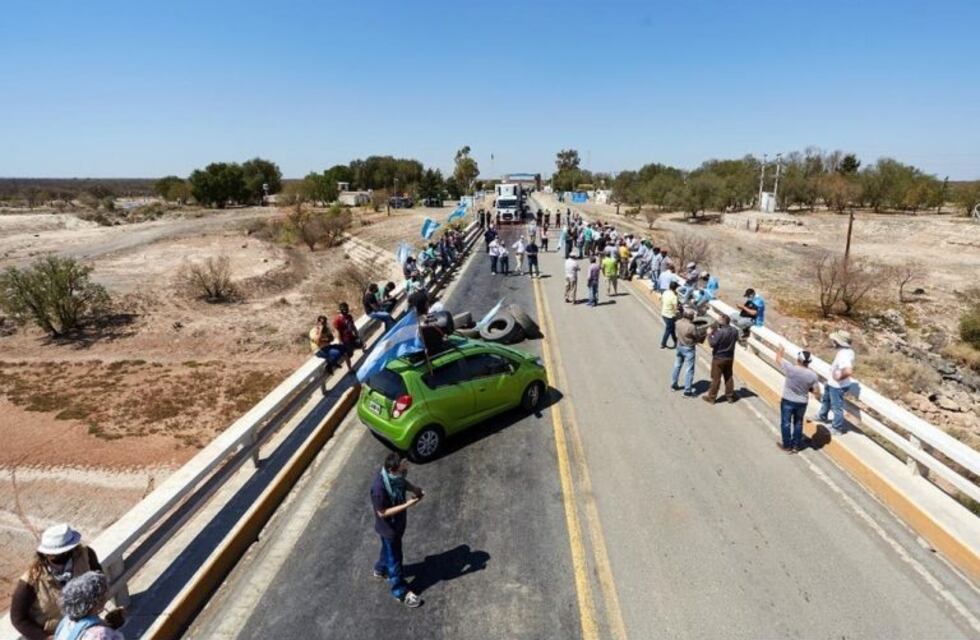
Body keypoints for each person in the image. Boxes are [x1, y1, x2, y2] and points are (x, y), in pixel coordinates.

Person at [10, 524, 103, 640]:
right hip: (52, 634)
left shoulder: (86, 555)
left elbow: (99, 584)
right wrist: (46, 638)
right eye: (53, 556)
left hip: (85, 627)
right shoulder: (30, 582)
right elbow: (18, 619)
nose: (58, 558)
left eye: (63, 553)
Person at [371, 453, 424, 608]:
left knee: (387, 550)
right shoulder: (379, 489)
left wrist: (414, 488)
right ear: (393, 470)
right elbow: (383, 512)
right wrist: (408, 504)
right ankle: (400, 592)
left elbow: (402, 482)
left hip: (397, 525)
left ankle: (380, 569)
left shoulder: (395, 476)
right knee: (395, 560)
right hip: (389, 529)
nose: (405, 470)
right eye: (403, 468)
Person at [775, 344, 821, 452]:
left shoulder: (790, 368)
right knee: (798, 423)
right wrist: (808, 389)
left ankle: (787, 445)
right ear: (809, 362)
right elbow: (816, 392)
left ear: (798, 359)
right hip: (802, 403)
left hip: (787, 400)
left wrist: (781, 350)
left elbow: (778, 359)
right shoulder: (813, 376)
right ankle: (796, 445)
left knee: (786, 423)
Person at [54, 571, 124, 640]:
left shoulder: (65, 623)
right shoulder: (101, 634)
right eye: (103, 595)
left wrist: (106, 624)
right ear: (97, 601)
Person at [817, 330, 856, 435]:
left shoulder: (844, 355)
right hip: (833, 384)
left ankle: (837, 428)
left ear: (838, 342)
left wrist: (838, 377)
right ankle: (822, 416)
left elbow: (848, 371)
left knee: (836, 407)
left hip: (837, 386)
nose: (832, 342)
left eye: (834, 341)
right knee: (826, 400)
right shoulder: (849, 351)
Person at [703, 315, 739, 404]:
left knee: (716, 378)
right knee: (729, 376)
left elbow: (712, 343)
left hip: (719, 358)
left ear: (722, 323)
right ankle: (730, 396)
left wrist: (709, 334)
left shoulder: (720, 332)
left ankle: (711, 397)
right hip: (729, 357)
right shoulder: (735, 330)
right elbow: (736, 339)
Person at [671, 308, 707, 397]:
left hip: (680, 346)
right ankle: (687, 390)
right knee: (689, 369)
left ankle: (674, 384)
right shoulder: (691, 327)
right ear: (691, 317)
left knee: (677, 365)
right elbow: (697, 336)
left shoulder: (678, 322)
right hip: (688, 348)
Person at [660, 281, 680, 349]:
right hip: (670, 315)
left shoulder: (665, 292)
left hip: (664, 313)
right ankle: (663, 343)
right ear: (675, 288)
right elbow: (675, 308)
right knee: (669, 330)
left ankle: (675, 341)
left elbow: (661, 300)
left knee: (672, 329)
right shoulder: (674, 297)